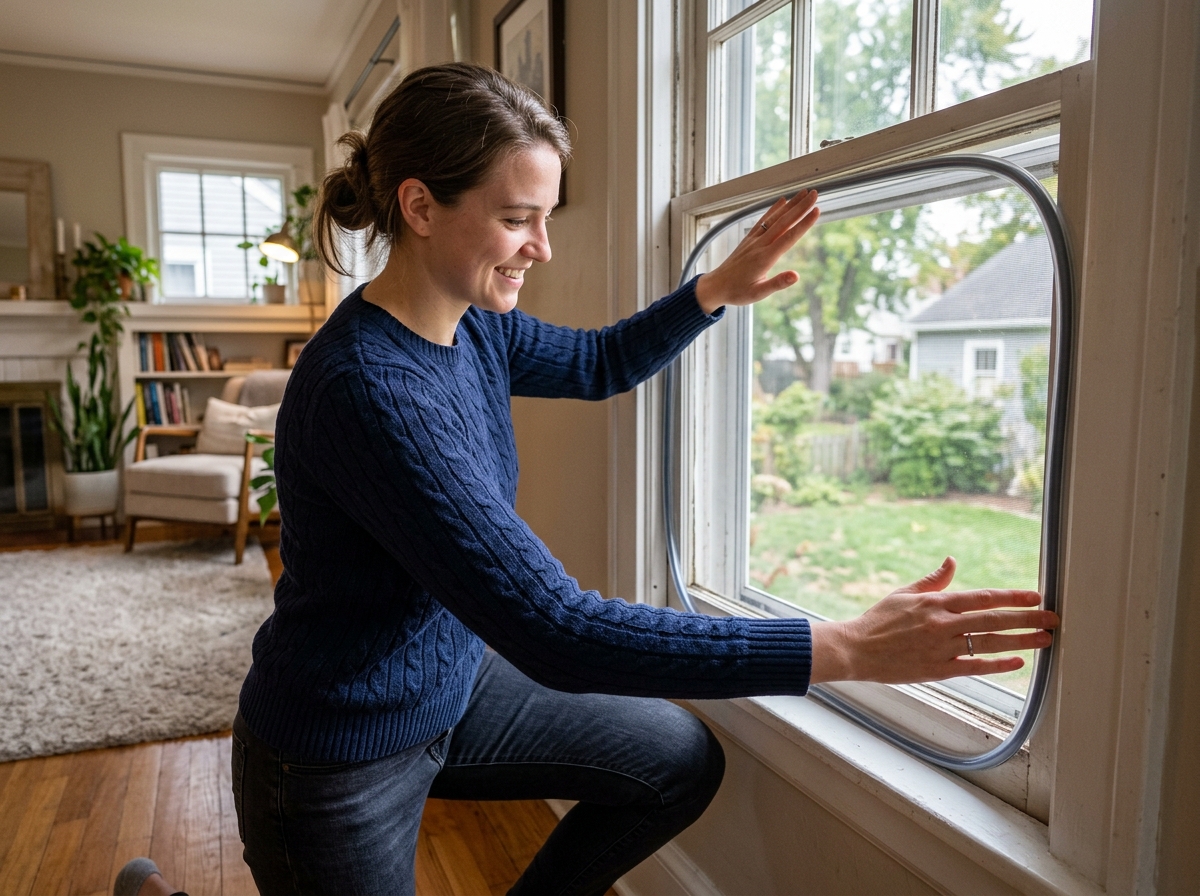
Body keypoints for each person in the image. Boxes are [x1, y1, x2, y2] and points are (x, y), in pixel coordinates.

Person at [232, 62, 1057, 896]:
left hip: (452, 685)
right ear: (418, 207)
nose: (542, 248)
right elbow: (557, 629)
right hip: (339, 746)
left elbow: (598, 361)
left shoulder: (474, 326)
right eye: (518, 219)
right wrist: (843, 646)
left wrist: (711, 293)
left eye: (545, 218)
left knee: (674, 759)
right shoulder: (369, 391)